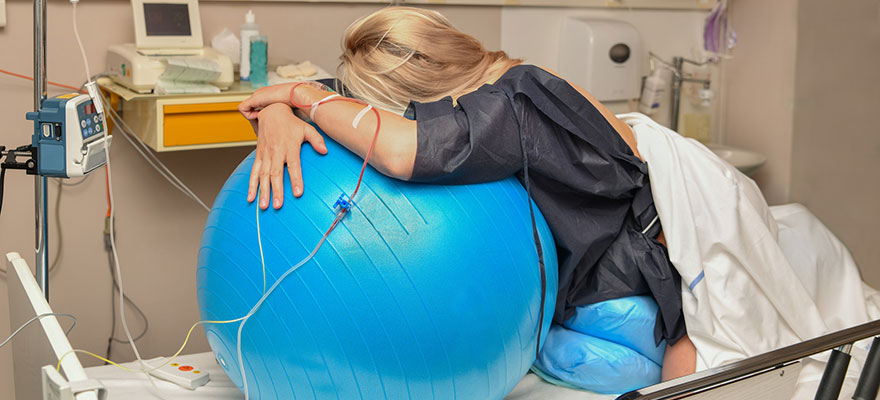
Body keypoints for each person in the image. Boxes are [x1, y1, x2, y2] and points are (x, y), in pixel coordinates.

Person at [238, 6, 697, 382]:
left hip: (636, 302)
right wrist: (279, 107)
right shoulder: (507, 83)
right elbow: (350, 103)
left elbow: (401, 150)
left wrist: (298, 95)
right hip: (580, 278)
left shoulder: (519, 103)